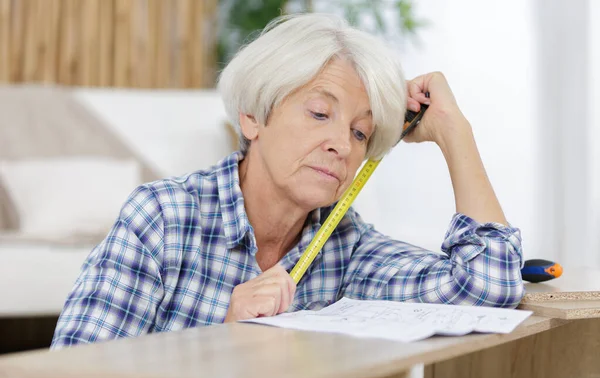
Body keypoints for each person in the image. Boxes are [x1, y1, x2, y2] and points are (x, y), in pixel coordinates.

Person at [51, 14, 524, 349]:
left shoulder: (345, 245)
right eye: (320, 113)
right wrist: (223, 338)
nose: (342, 143)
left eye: (360, 132)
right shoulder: (162, 218)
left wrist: (454, 132)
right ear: (254, 116)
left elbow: (489, 285)